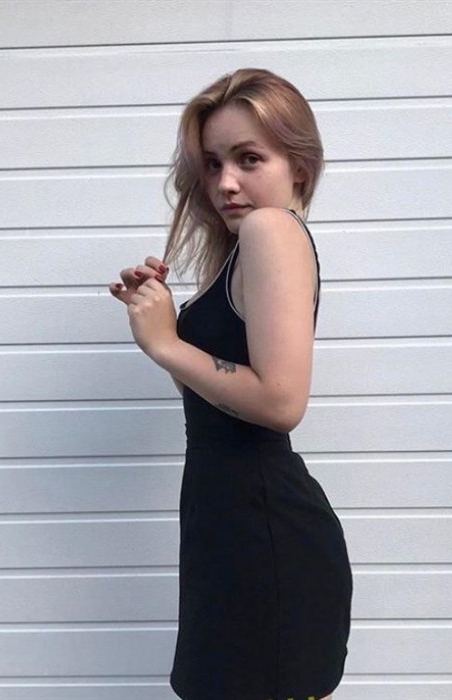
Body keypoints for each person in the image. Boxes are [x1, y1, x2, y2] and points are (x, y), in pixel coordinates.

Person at [109, 68, 353, 700]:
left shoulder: (272, 230)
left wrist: (167, 343)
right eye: (213, 163)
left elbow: (280, 402)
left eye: (249, 159)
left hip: (261, 535)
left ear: (299, 167)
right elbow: (219, 405)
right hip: (232, 525)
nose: (225, 182)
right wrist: (163, 321)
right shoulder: (244, 248)